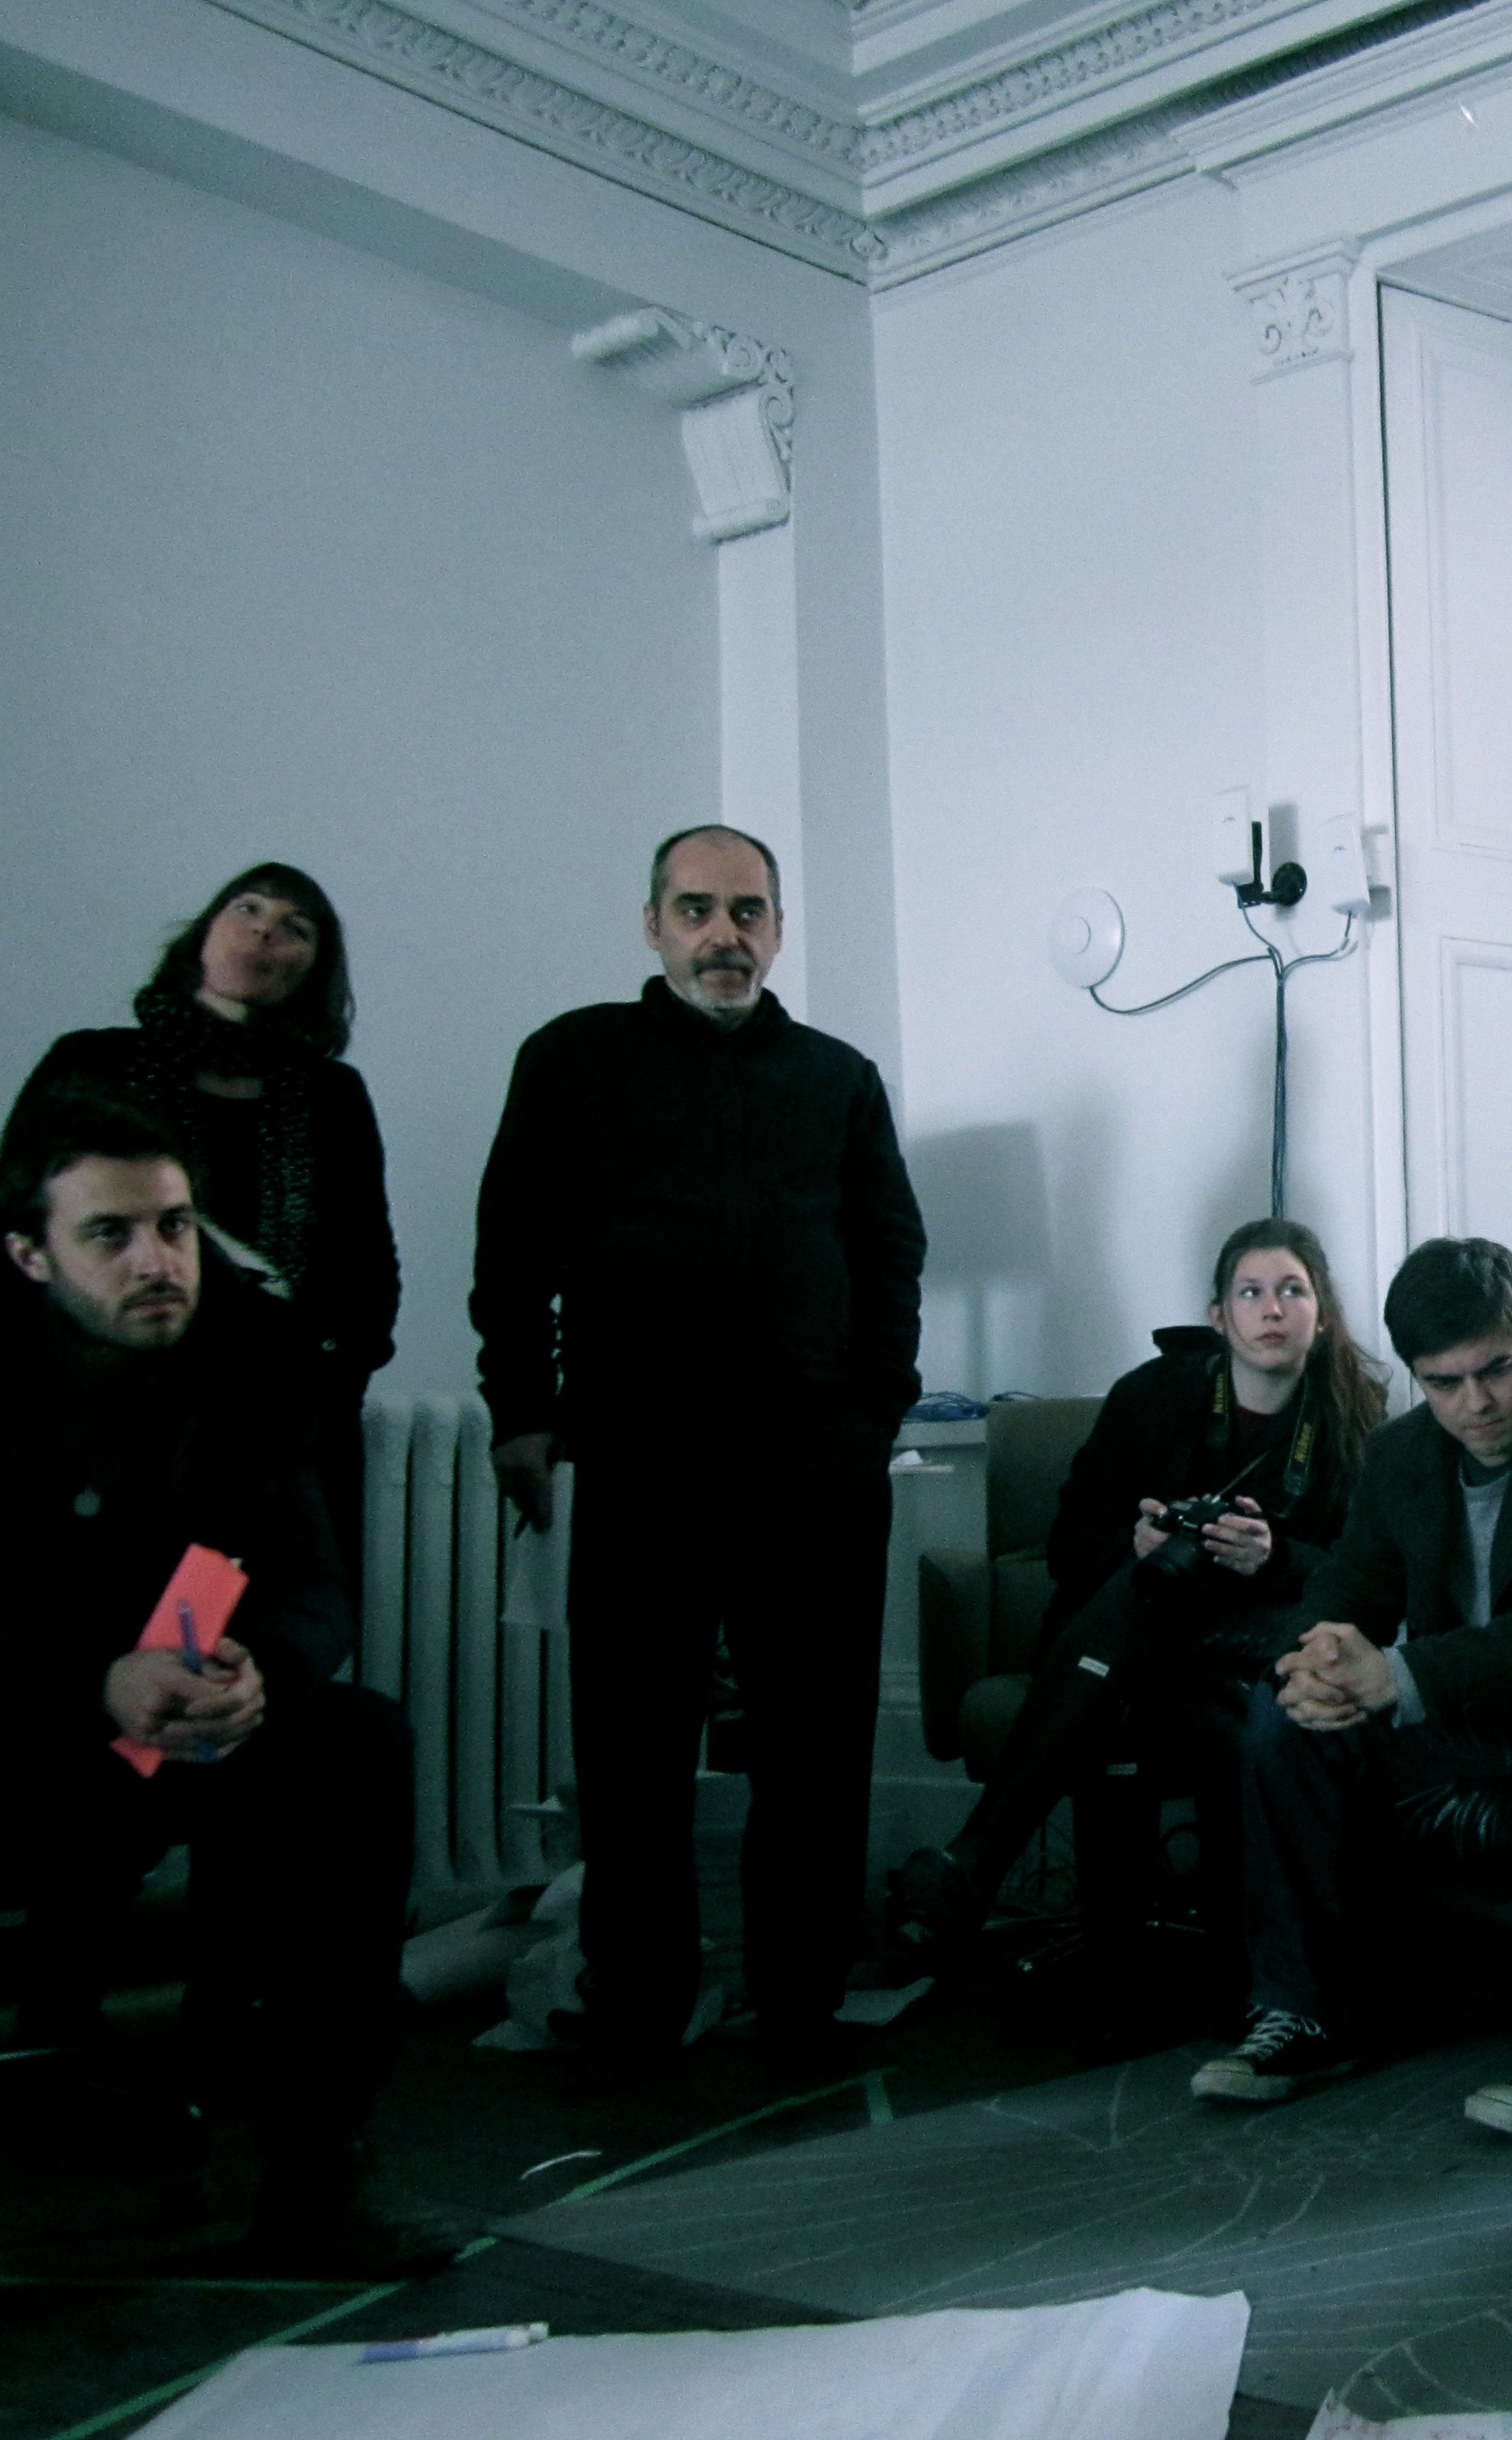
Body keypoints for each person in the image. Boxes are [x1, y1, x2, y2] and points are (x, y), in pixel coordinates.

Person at [470, 825, 926, 2087]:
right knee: (632, 1750)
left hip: (814, 1463)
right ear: (653, 925)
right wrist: (519, 1411)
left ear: (777, 930)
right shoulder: (572, 1061)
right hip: (641, 1454)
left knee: (816, 1747)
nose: (724, 934)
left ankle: (800, 2007)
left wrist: (874, 1413)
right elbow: (513, 1247)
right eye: (696, 909)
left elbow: (891, 1251)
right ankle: (638, 2006)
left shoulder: (838, 1078)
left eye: (748, 911)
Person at [0, 1084, 453, 2273]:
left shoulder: (244, 1363)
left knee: (350, 1742)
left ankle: (317, 2173)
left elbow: (311, 1582)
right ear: (30, 1256)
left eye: (175, 1226)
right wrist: (96, 1681)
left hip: (165, 1726)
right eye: (109, 1234)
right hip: (21, 1734)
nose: (158, 1261)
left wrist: (267, 1673)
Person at [1194, 1236, 1512, 2136]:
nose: (1474, 1404)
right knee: (1284, 1713)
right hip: (1471, 1718)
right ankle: (1305, 2014)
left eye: (1495, 1371)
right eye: (1443, 1383)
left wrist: (1403, 1674)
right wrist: (1313, 1663)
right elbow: (1346, 1591)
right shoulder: (1404, 1453)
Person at [882, 1218, 1383, 2047]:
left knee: (1190, 1681)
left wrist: (1273, 1556)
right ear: (1218, 1315)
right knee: (1155, 1606)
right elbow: (1068, 1544)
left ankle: (976, 1861)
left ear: (1322, 1314)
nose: (1272, 1310)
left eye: (1292, 1291)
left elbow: (1367, 1574)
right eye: (1251, 1292)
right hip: (1135, 1647)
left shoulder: (1354, 1418)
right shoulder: (1152, 1397)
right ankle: (1233, 1982)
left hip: (1245, 1644)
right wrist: (1139, 1543)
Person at [9, 865, 399, 1582]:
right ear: (202, 935)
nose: (265, 931)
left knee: (252, 1620)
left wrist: (321, 1378)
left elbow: (368, 1263)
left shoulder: (333, 1094)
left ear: (315, 967)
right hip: (105, 1406)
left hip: (274, 1413)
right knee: (97, 1607)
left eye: (295, 926)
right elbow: (22, 1223)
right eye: (247, 908)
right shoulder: (91, 1061)